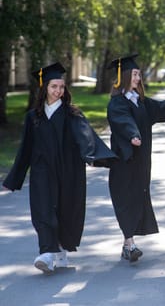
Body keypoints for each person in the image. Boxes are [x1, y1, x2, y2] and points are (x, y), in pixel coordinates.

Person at [2, 62, 116, 273]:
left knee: (65, 209)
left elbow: (86, 138)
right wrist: (13, 179)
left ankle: (61, 248)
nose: (58, 91)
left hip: (68, 170)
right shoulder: (33, 118)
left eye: (61, 87)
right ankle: (46, 253)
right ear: (44, 88)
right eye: (54, 86)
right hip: (41, 171)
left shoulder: (72, 114)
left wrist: (92, 156)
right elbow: (24, 151)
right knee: (42, 210)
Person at [106, 54, 165, 263]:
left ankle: (127, 243)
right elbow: (122, 120)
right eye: (134, 74)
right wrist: (133, 134)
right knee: (125, 200)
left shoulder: (141, 102)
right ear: (123, 76)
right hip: (124, 162)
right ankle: (130, 243)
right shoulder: (117, 103)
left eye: (139, 74)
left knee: (137, 198)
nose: (138, 78)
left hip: (141, 163)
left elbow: (164, 108)